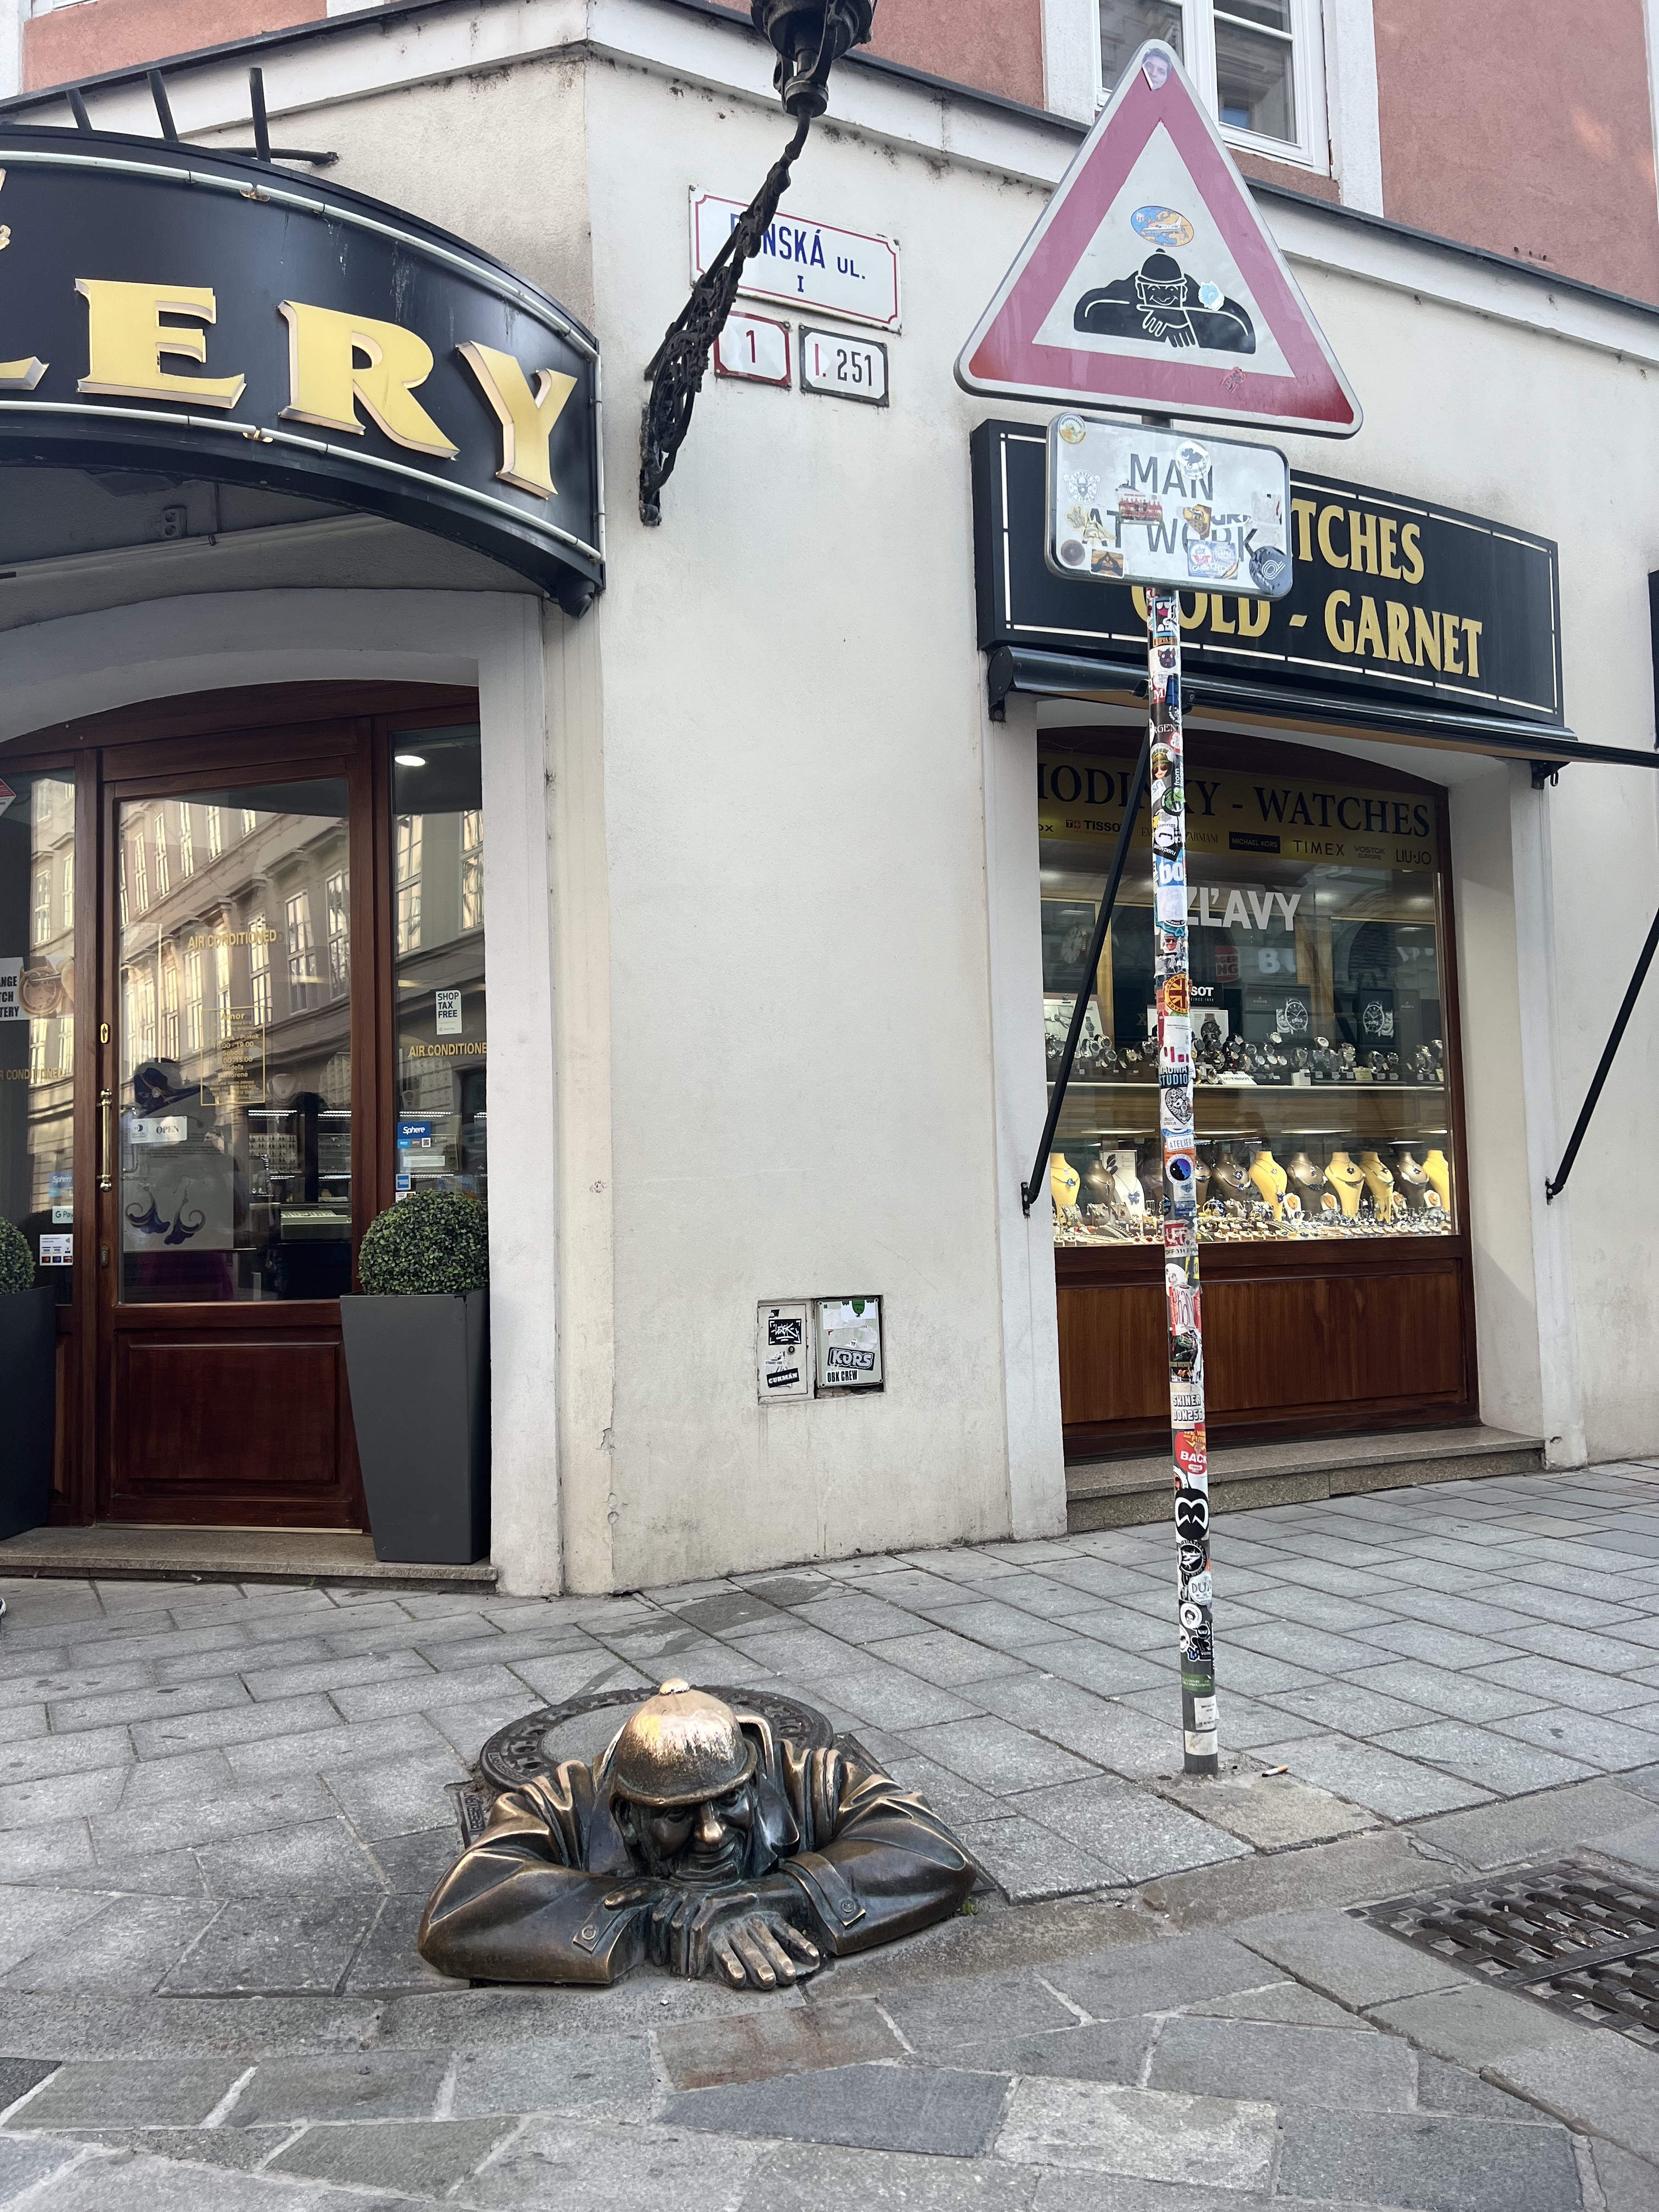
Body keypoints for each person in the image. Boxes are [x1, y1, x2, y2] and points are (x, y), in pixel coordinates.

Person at [418, 1680, 977, 1988]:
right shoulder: (561, 1802)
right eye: (677, 1816)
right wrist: (650, 1913)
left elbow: (933, 1849)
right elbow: (459, 1912)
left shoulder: (802, 1776)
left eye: (730, 1800)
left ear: (752, 1781)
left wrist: (773, 1895)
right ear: (628, 1814)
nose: (711, 1835)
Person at [1074, 252, 1255, 354]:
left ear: (1183, 291)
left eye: (1171, 291)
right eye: (1153, 290)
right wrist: (1138, 319)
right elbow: (1087, 309)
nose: (1163, 297)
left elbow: (1242, 326)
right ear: (1140, 289)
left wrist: (1185, 321)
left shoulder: (1200, 299)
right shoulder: (1119, 296)